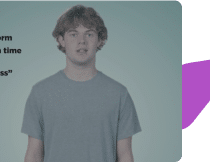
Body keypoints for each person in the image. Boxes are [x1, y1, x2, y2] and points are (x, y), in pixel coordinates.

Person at [21, 4, 141, 162]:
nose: (82, 41)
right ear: (61, 40)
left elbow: (125, 155)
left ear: (100, 39)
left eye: (89, 34)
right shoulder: (40, 93)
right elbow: (34, 154)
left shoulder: (119, 94)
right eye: (73, 34)